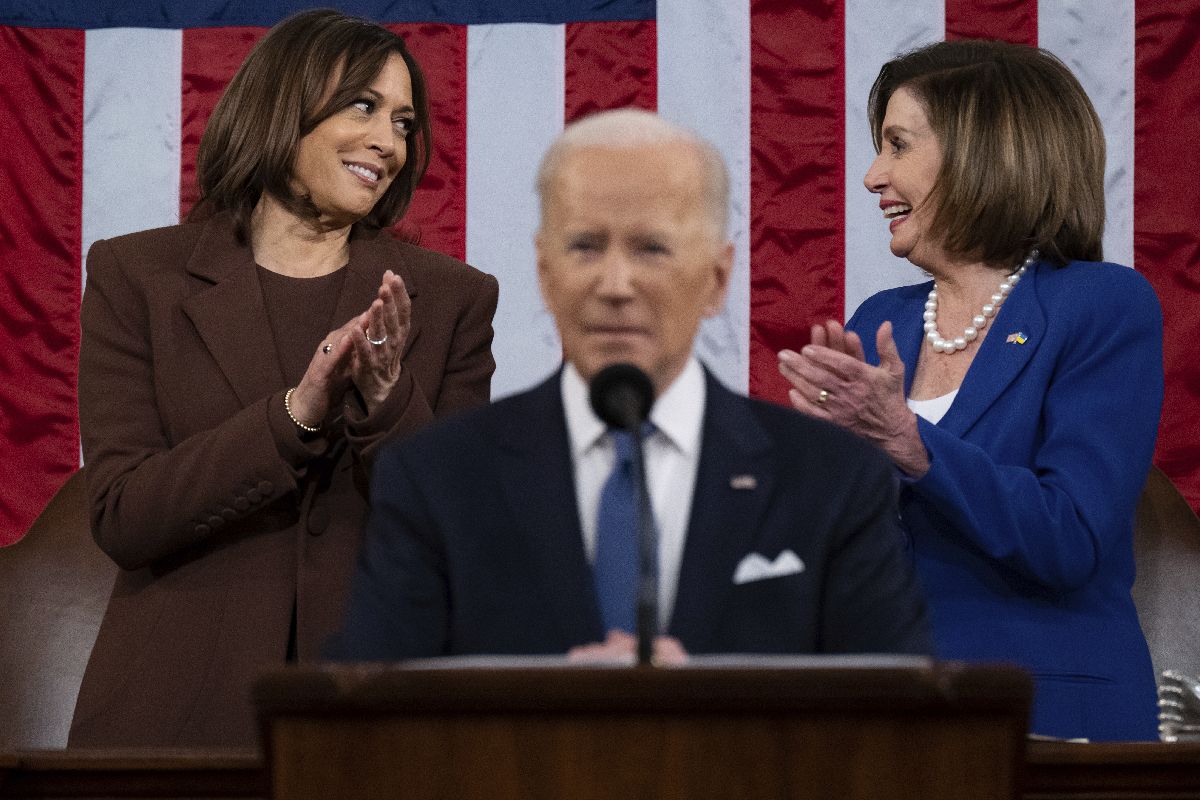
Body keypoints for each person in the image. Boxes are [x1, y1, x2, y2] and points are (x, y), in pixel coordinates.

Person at [326, 109, 930, 663]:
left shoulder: (831, 481)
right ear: (544, 272)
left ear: (717, 279)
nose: (616, 284)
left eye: (651, 248)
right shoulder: (438, 478)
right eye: (586, 246)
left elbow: (896, 727)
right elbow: (368, 720)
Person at [69, 9, 498, 747]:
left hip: (379, 723)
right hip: (179, 719)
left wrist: (390, 400)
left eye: (403, 122)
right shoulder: (137, 276)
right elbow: (123, 516)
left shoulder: (452, 297)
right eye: (363, 106)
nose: (387, 141)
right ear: (282, 104)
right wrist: (293, 416)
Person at [777, 40, 1162, 741]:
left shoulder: (1102, 306)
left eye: (897, 146)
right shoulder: (881, 321)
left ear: (983, 152)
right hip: (882, 715)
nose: (871, 176)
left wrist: (906, 441)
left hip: (1046, 720)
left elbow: (1067, 538)